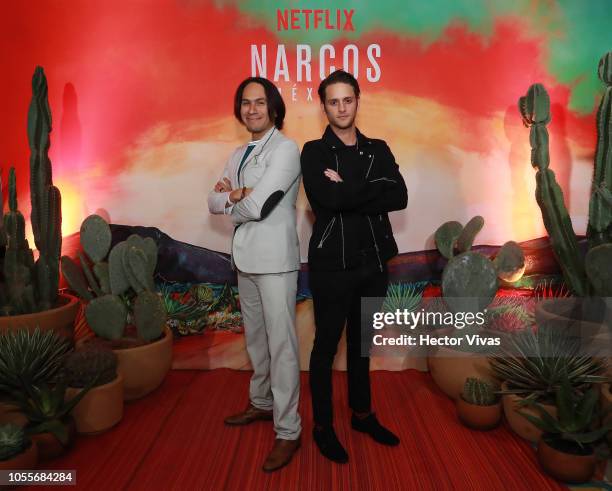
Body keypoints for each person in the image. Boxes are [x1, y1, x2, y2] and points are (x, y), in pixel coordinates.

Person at [301, 70, 408, 463]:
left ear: (358, 101)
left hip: (373, 265)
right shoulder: (313, 152)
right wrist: (369, 189)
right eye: (334, 101)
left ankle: (362, 415)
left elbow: (399, 196)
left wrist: (345, 187)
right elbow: (327, 200)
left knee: (362, 346)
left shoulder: (378, 147)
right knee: (325, 348)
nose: (341, 108)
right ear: (324, 105)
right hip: (332, 267)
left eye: (348, 100)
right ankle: (323, 427)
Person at [207, 77, 302, 472]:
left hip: (276, 262)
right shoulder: (238, 153)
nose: (252, 109)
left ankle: (289, 430)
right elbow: (211, 200)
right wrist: (232, 196)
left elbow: (261, 206)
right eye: (246, 103)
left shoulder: (286, 149)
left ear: (274, 108)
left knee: (282, 346)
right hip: (244, 260)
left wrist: (239, 198)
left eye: (260, 103)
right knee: (258, 341)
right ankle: (261, 404)